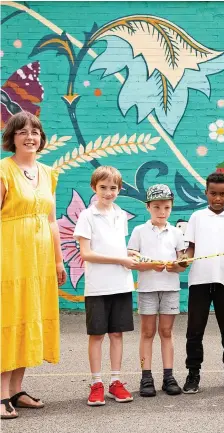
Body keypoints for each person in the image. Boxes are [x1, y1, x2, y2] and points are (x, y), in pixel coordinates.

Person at [1, 111, 66, 420]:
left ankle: (16, 389)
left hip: (38, 261)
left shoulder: (47, 173)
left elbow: (52, 221)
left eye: (36, 131)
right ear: (12, 137)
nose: (30, 136)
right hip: (9, 259)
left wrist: (58, 260)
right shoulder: (3, 171)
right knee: (9, 319)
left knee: (29, 317)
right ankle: (2, 394)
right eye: (22, 130)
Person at [73, 166, 140, 406]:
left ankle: (115, 381)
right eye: (103, 187)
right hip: (98, 287)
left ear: (119, 189)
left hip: (121, 284)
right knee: (97, 335)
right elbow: (87, 254)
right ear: (94, 188)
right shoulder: (86, 216)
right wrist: (121, 259)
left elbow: (117, 245)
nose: (108, 192)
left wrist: (129, 254)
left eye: (113, 188)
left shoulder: (120, 214)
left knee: (117, 333)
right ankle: (96, 383)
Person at [182, 173, 224, 393]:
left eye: (222, 194)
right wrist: (185, 257)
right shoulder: (197, 217)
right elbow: (190, 247)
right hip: (199, 281)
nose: (217, 198)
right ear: (206, 193)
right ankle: (193, 374)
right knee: (194, 330)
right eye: (213, 194)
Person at [127, 184, 187, 397]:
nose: (162, 212)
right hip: (147, 289)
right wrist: (149, 265)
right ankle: (146, 377)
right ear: (148, 207)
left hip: (170, 288)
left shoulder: (176, 233)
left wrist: (177, 265)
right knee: (147, 332)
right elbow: (132, 260)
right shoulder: (139, 231)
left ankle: (168, 376)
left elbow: (182, 264)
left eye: (167, 207)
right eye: (157, 207)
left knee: (167, 332)